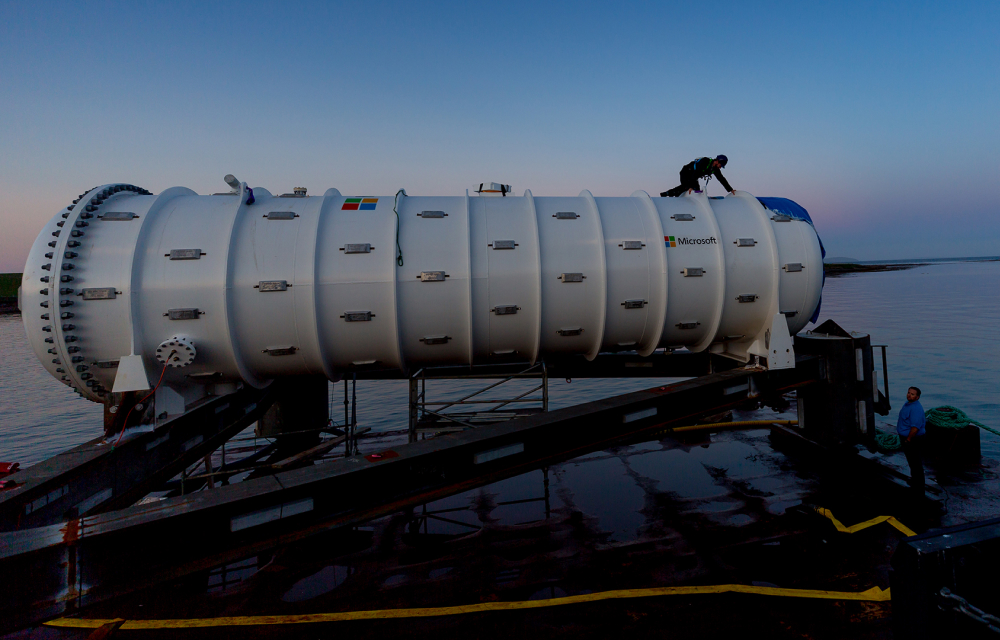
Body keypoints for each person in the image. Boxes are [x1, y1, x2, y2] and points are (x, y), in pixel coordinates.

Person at [660, 156, 735, 197]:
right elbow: (696, 173)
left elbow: (721, 179)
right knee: (687, 187)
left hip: (693, 176)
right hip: (686, 172)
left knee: (697, 192)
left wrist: (730, 190)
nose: (720, 167)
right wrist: (691, 186)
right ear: (717, 161)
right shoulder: (705, 161)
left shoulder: (715, 169)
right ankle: (667, 194)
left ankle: (676, 195)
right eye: (720, 165)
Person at [897, 386, 927, 490]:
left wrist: (908, 439)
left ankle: (919, 485)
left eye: (912, 394)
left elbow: (915, 427)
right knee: (912, 461)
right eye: (908, 392)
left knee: (915, 462)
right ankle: (915, 480)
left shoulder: (915, 408)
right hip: (908, 437)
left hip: (913, 439)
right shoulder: (908, 404)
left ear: (917, 397)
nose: (909, 395)